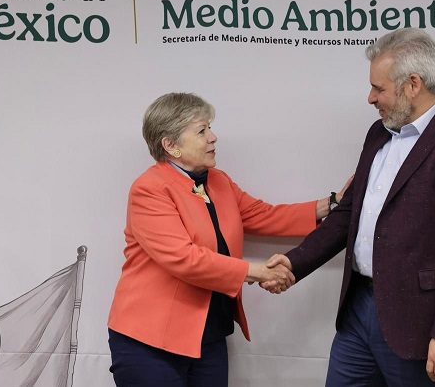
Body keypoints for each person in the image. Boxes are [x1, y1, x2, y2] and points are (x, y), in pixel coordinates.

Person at [264, 28, 435, 386]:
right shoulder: (378, 133)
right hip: (358, 311)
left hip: (422, 323)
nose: (370, 98)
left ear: (413, 84)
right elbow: (349, 215)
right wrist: (294, 262)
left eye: (379, 88)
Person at [107, 92, 350, 386]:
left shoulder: (218, 180)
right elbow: (184, 259)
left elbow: (264, 216)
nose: (213, 137)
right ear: (170, 145)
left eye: (209, 128)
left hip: (208, 334)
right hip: (149, 340)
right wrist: (258, 271)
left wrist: (334, 203)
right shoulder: (149, 189)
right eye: (202, 131)